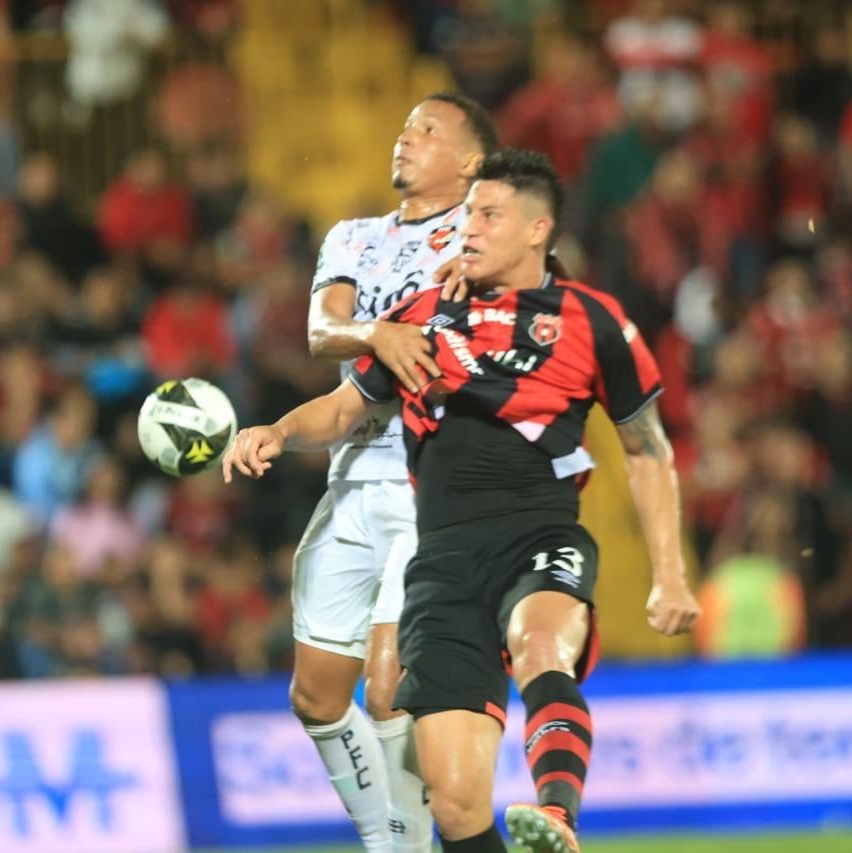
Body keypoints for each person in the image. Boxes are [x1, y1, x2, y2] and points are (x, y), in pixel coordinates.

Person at [224, 150, 700, 853]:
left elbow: (647, 448)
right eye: (468, 212)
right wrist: (277, 430)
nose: (467, 228)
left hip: (536, 533)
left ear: (538, 230)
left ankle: (557, 816)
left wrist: (670, 572)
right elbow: (341, 408)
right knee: (454, 802)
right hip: (440, 559)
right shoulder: (422, 316)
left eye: (488, 215)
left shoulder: (592, 322)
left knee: (541, 645)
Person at [294, 90, 497, 852]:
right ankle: (395, 838)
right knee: (316, 696)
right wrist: (379, 331)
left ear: (470, 162)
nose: (404, 138)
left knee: (389, 689)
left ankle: (398, 847)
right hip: (350, 473)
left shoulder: (481, 236)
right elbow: (323, 332)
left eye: (428, 129)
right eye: (406, 125)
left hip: (429, 484)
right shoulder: (352, 236)